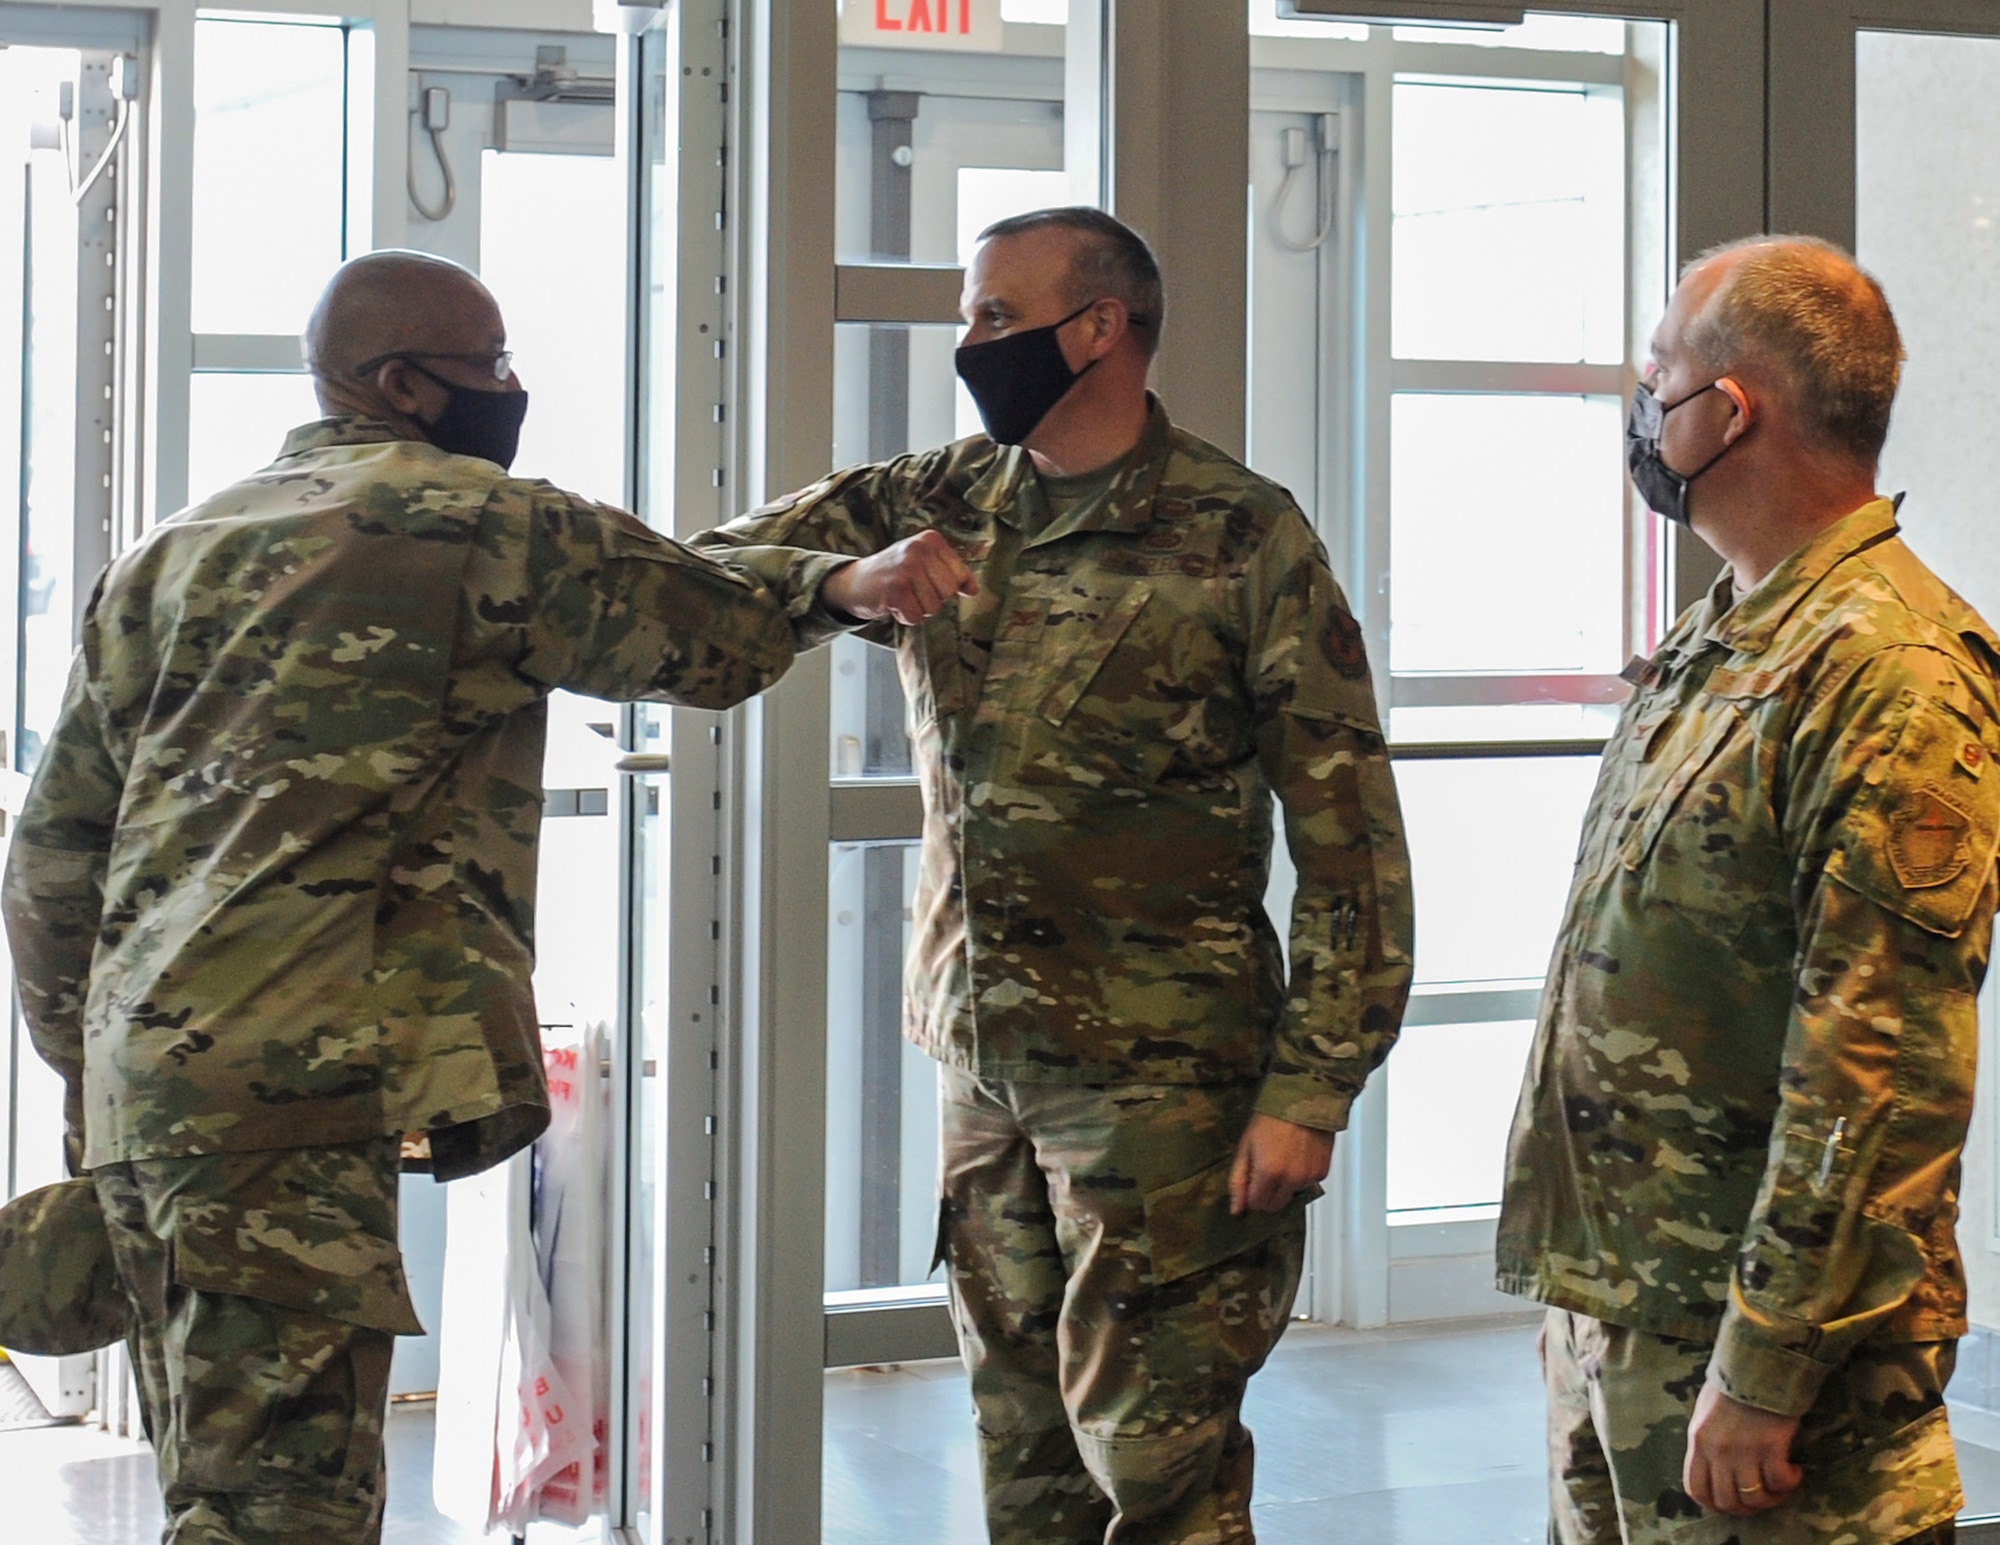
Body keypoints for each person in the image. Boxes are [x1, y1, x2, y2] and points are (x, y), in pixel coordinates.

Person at [0, 249, 795, 1545]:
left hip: (156, 1086)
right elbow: (718, 630)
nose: (513, 386)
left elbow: (48, 864)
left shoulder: (175, 550)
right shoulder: (476, 520)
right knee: (281, 1510)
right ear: (401, 383)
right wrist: (845, 574)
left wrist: (92, 1077)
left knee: (217, 1473)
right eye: (489, 364)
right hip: (290, 1106)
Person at [695, 206, 1413, 1542]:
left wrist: (1313, 1086)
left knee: (1162, 1477)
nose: (968, 344)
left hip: (1167, 1095)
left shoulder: (1241, 537)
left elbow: (1351, 839)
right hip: (985, 1074)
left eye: (990, 315)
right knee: (1023, 1465)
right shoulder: (942, 497)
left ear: (1099, 329)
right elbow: (700, 580)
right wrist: (851, 581)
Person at [1497, 235, 2000, 1545]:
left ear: (1732, 409)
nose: (1641, 407)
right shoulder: (1729, 625)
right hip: (1634, 1320)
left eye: (1658, 374)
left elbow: (1874, 1066)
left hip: (1771, 1389)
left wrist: (1765, 1366)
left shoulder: (1890, 669)